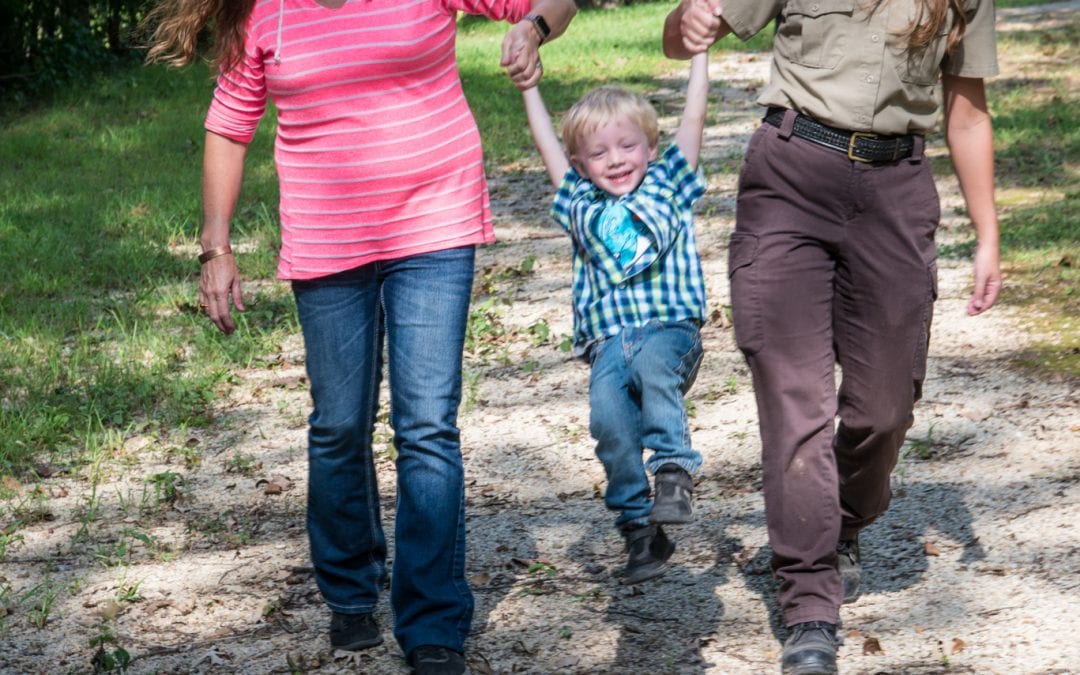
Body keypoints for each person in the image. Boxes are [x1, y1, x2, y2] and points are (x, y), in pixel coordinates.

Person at [143, 1, 577, 673]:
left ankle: (433, 617)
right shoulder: (266, 13)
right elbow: (230, 126)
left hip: (434, 220)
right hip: (327, 240)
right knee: (339, 425)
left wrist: (533, 27)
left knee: (427, 422)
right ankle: (350, 590)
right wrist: (216, 248)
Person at [663, 0, 1002, 672]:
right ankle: (810, 600)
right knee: (797, 402)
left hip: (897, 191)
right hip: (790, 178)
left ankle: (840, 518)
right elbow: (682, 35)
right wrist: (688, 20)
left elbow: (967, 109)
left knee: (884, 410)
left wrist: (989, 234)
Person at [519, 52, 710, 584]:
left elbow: (693, 120)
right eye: (599, 152)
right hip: (607, 345)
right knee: (608, 422)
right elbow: (547, 148)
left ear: (650, 147)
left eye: (628, 145)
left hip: (670, 333)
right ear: (581, 165)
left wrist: (700, 55)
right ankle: (639, 528)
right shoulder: (579, 203)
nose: (617, 159)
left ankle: (673, 473)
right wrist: (528, 88)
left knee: (651, 364)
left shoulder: (669, 182)